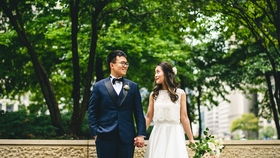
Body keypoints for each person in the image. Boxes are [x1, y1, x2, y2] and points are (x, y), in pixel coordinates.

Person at [88, 50, 146, 158]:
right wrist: (95, 133)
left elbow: (138, 112)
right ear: (112, 65)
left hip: (127, 137)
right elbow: (92, 112)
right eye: (122, 63)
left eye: (126, 63)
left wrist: (141, 134)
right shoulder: (98, 86)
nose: (125, 66)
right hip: (104, 137)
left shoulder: (133, 87)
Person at [145, 62, 195, 158]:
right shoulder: (153, 94)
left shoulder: (180, 93)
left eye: (158, 72)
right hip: (158, 133)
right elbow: (148, 117)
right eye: (155, 73)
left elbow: (184, 117)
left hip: (175, 134)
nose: (155, 75)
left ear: (167, 73)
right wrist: (140, 135)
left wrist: (191, 139)